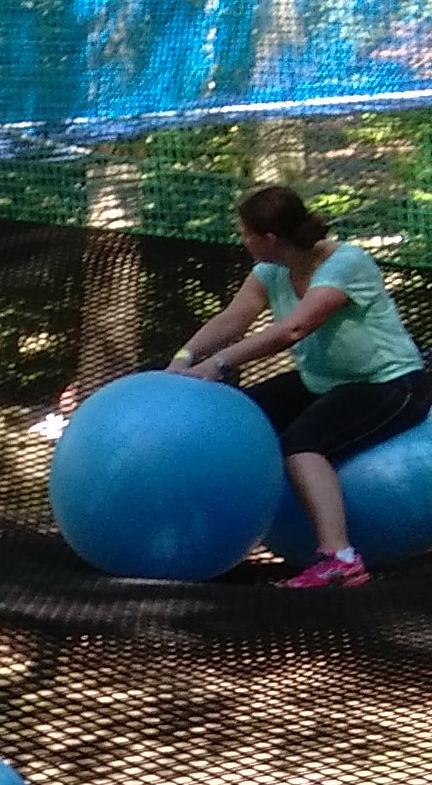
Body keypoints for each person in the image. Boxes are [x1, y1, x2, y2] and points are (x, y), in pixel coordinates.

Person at [171, 185, 429, 588]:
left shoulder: (346, 264)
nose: (242, 241)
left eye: (245, 233)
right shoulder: (269, 272)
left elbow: (294, 328)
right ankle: (200, 537)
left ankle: (340, 559)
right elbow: (232, 320)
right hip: (322, 383)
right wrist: (183, 360)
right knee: (240, 420)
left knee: (301, 445)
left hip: (391, 384)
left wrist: (218, 364)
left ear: (269, 239)